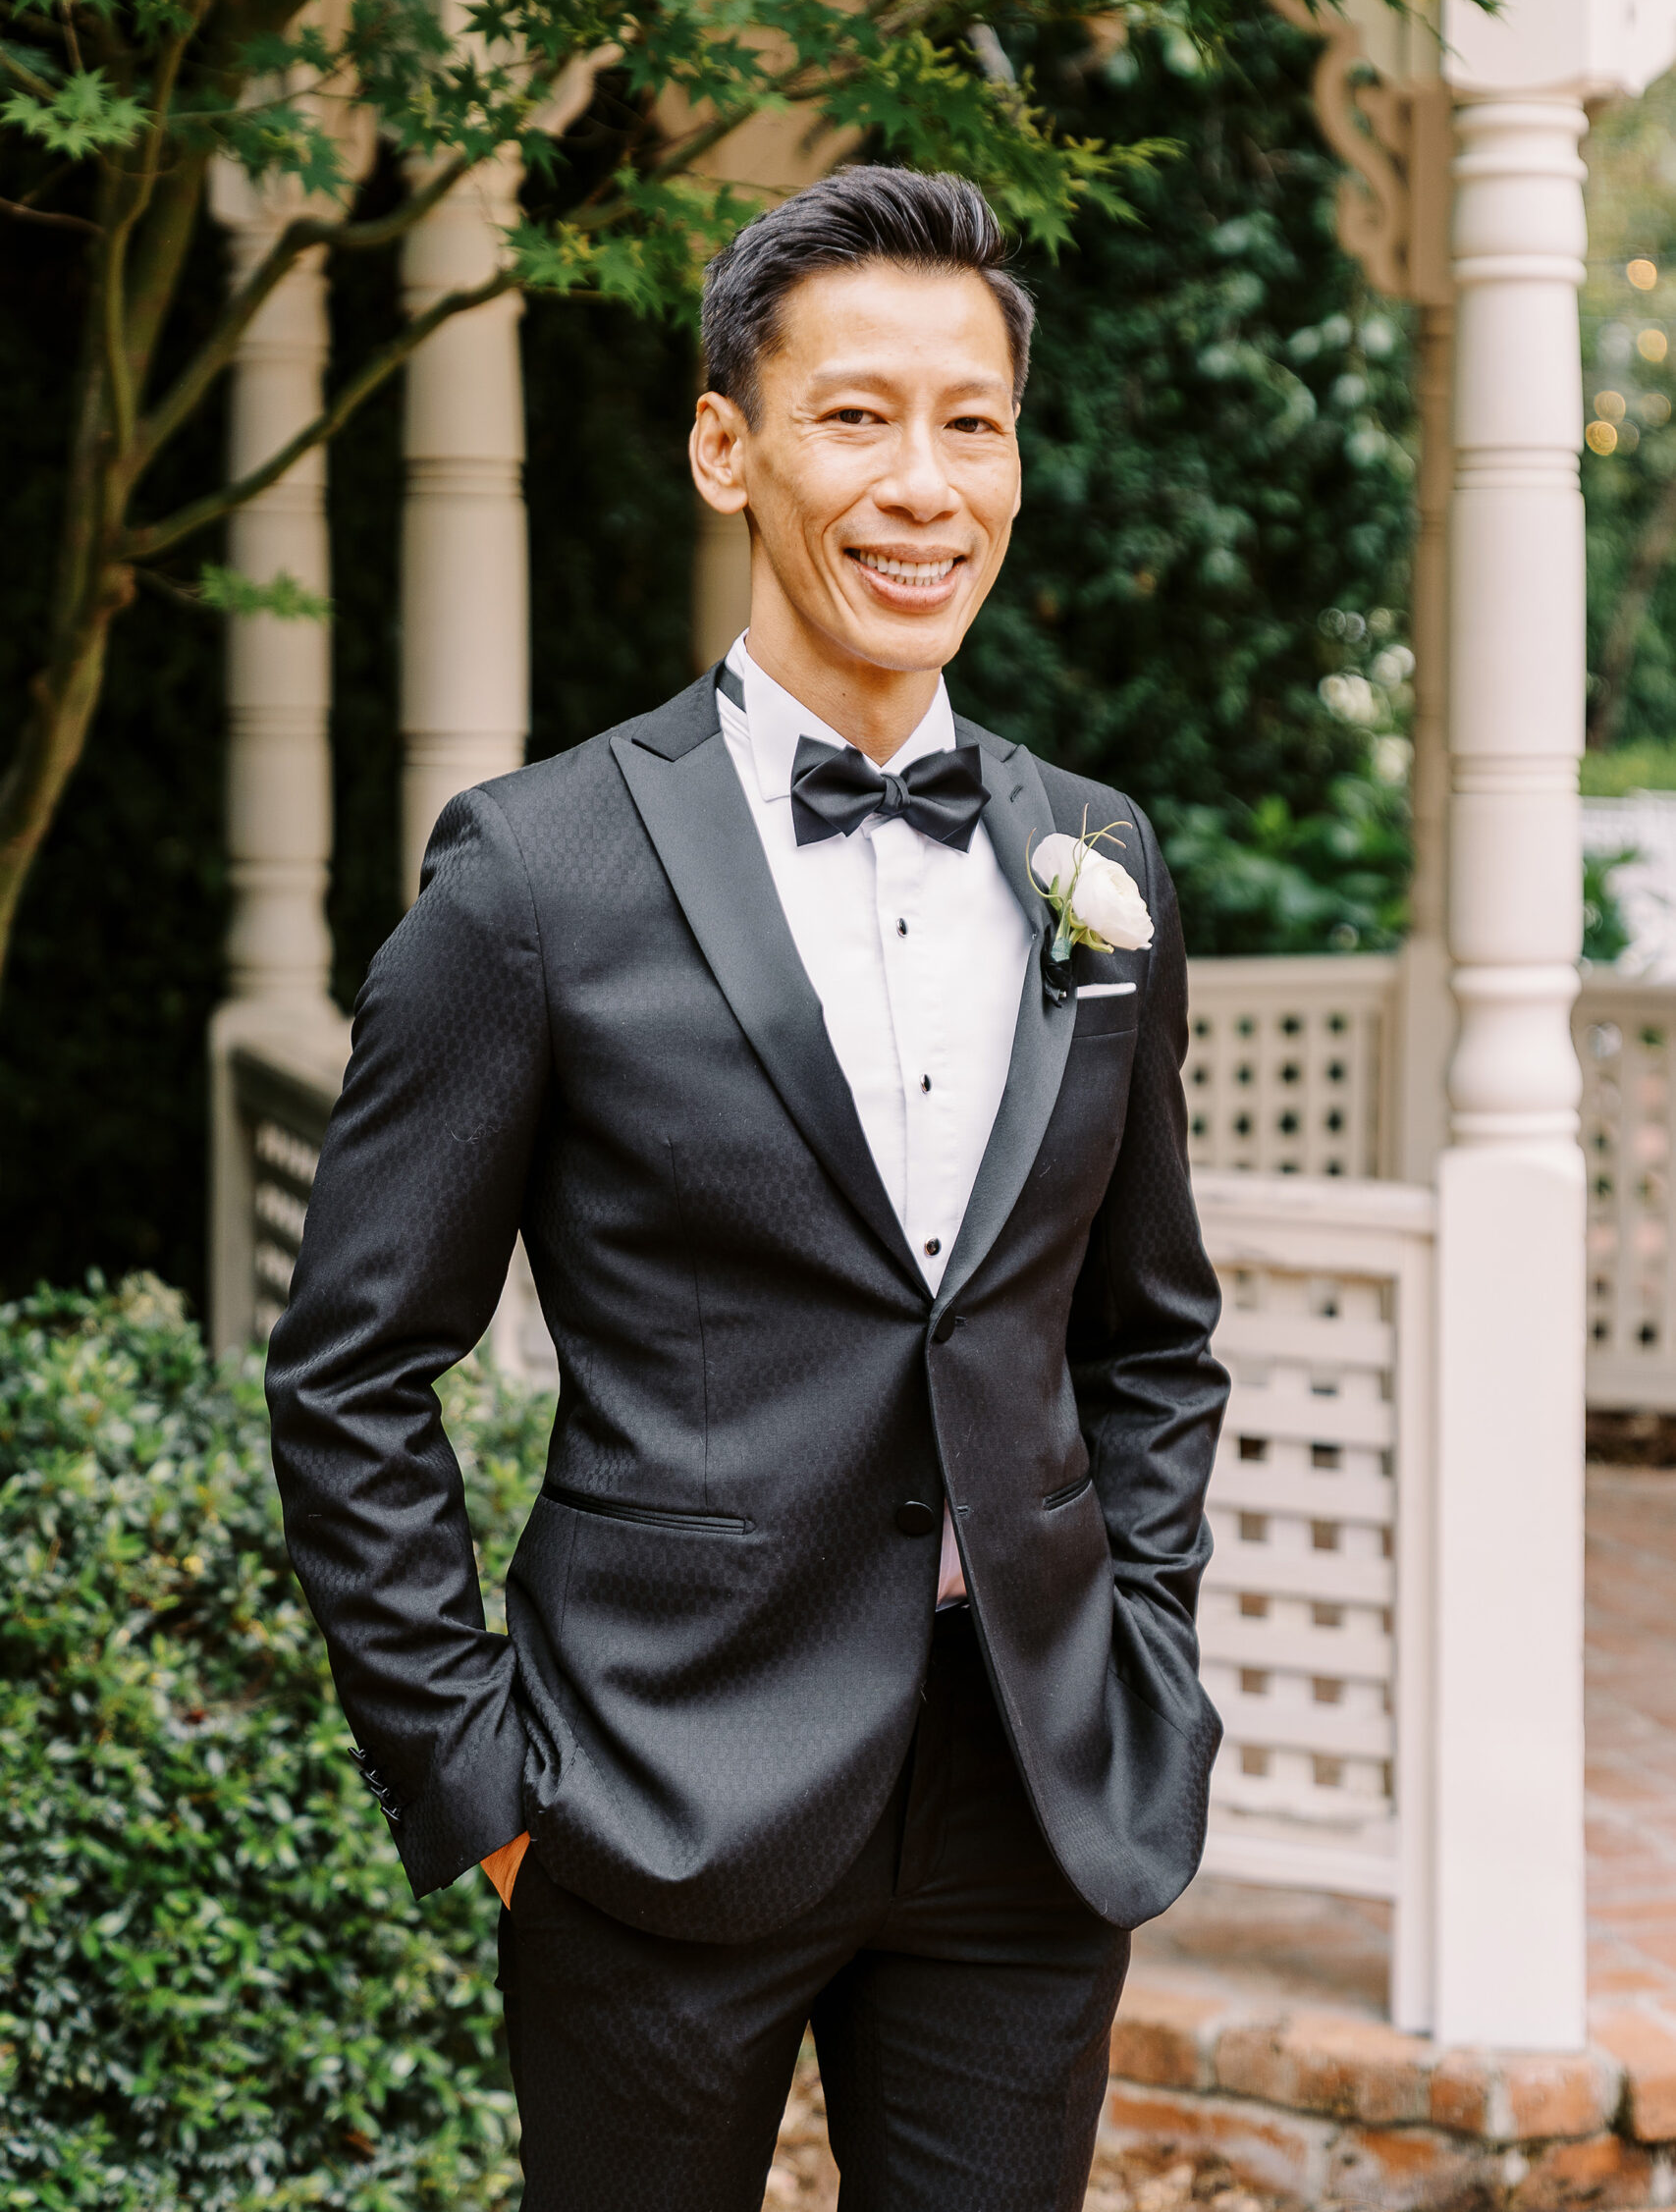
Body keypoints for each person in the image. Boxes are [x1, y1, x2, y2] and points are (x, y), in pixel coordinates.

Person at [265, 166, 1228, 2212]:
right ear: (727, 445)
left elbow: (1146, 1326)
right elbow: (351, 1365)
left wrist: (1135, 1641)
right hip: (649, 1789)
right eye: (854, 413)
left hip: (1029, 1798)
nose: (922, 481)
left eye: (968, 421)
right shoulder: (530, 878)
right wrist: (480, 1782)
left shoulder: (1101, 856)